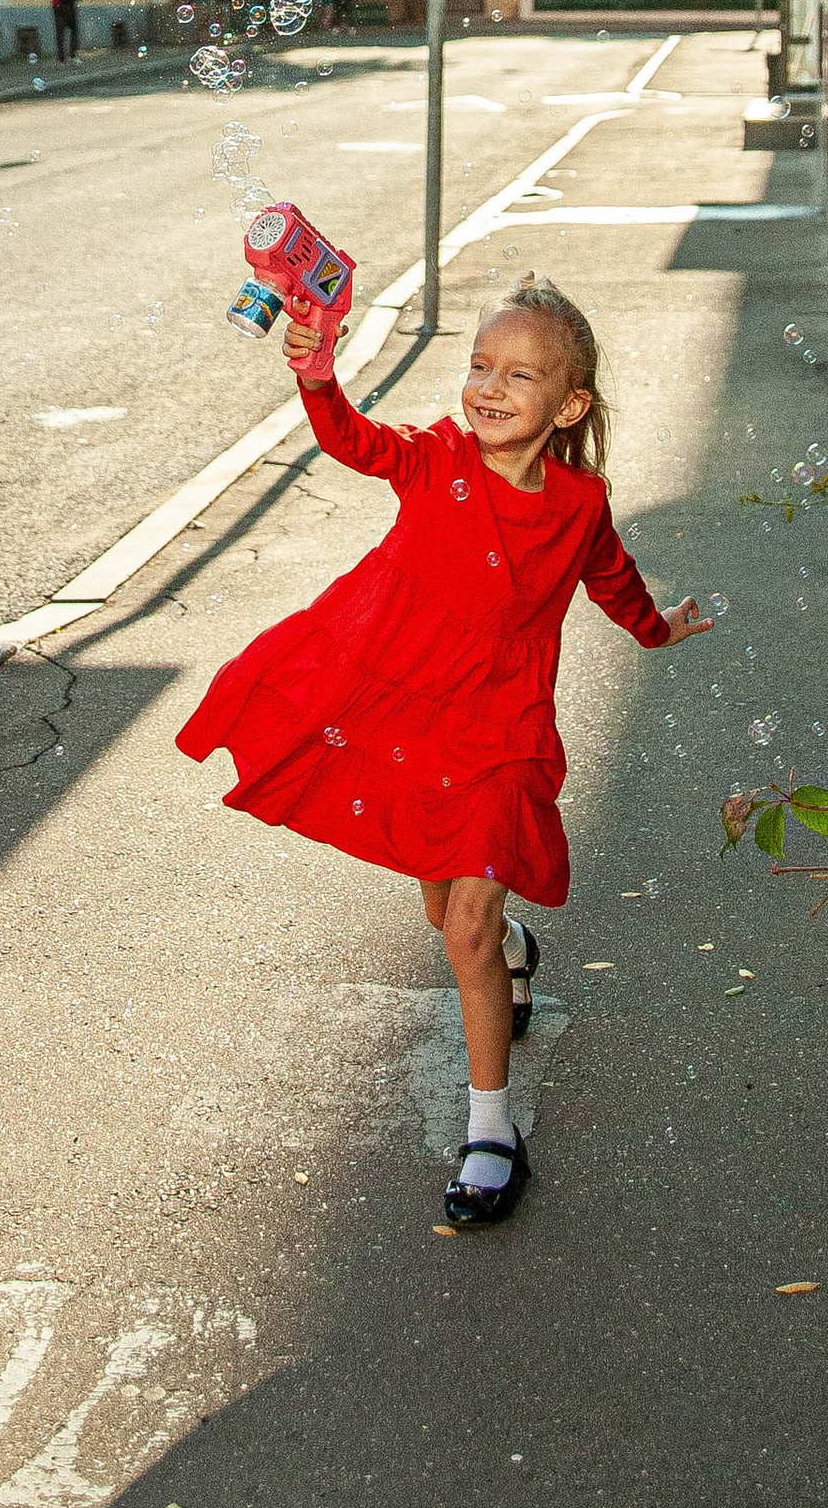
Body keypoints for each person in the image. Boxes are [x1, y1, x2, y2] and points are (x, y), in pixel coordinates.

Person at [176, 270, 709, 1227]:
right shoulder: (437, 459)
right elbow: (355, 441)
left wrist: (659, 630)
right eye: (480, 367)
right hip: (406, 712)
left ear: (569, 403)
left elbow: (615, 583)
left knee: (458, 929)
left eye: (520, 375)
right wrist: (318, 377)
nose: (490, 388)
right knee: (447, 907)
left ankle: (493, 1131)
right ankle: (509, 950)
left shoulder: (580, 504)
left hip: (501, 731)